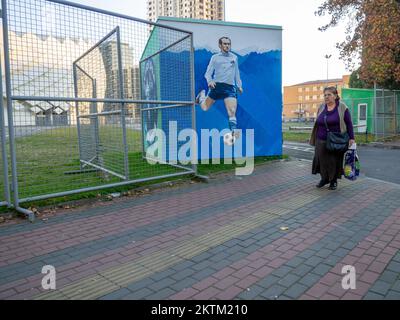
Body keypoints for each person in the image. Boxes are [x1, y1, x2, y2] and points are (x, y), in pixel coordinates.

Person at [309, 86, 355, 190]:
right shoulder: (321, 107)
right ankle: (324, 178)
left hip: (336, 139)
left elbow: (349, 123)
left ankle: (333, 181)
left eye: (329, 94)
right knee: (321, 160)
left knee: (334, 161)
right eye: (325, 95)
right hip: (321, 139)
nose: (326, 97)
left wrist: (351, 137)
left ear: (335, 96)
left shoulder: (342, 107)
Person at [195, 36, 243, 136]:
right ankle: (201, 97)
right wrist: (210, 81)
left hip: (230, 88)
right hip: (217, 86)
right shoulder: (215, 58)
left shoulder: (234, 57)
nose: (227, 46)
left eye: (228, 44)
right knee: (204, 108)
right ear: (220, 45)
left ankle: (233, 132)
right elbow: (207, 73)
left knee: (232, 111)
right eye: (225, 44)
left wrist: (239, 85)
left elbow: (236, 73)